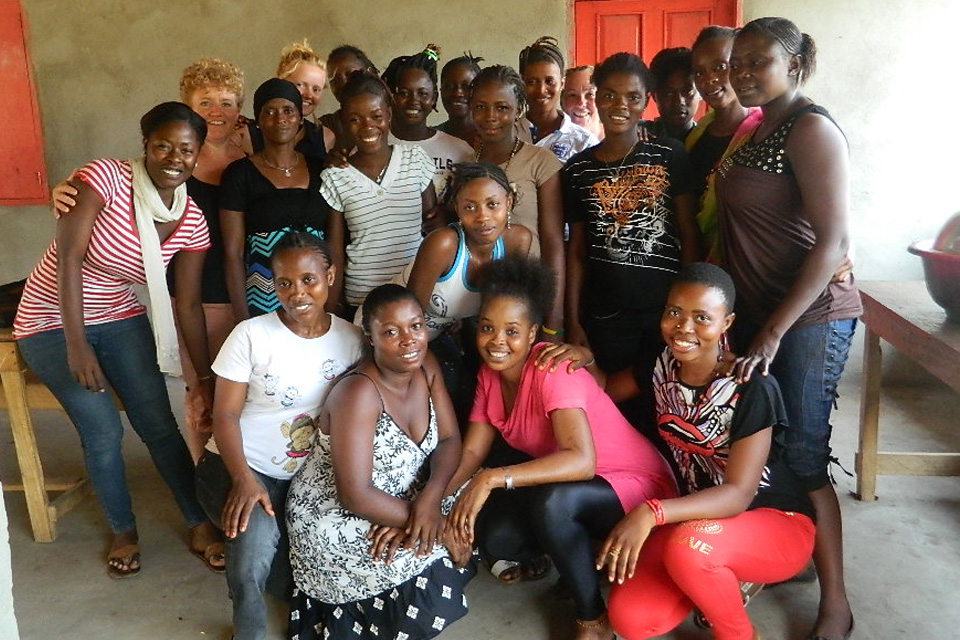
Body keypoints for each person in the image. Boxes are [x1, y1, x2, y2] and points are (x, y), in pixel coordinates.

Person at [541, 263, 816, 640]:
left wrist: (651, 512)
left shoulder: (750, 387)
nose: (684, 328)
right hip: (696, 523)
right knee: (631, 619)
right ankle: (719, 581)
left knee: (690, 548)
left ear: (727, 323)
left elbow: (737, 494)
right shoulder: (661, 364)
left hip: (775, 523)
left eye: (702, 317)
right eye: (674, 313)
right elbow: (604, 389)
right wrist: (582, 360)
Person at [13, 102, 223, 578]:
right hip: (49, 320)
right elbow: (69, 260)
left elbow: (186, 305)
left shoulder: (190, 219)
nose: (174, 157)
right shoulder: (105, 179)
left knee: (157, 422)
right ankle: (123, 531)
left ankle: (198, 522)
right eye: (162, 145)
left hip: (118, 314)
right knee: (103, 429)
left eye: (185, 150)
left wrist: (204, 377)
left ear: (197, 155)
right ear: (145, 145)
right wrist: (76, 344)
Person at [716, 17, 861, 640]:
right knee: (767, 449)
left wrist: (772, 332)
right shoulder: (755, 129)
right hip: (761, 314)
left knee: (802, 455)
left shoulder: (810, 129)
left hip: (808, 318)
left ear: (795, 64)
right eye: (736, 63)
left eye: (758, 63)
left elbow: (832, 244)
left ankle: (836, 603)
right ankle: (788, 555)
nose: (742, 73)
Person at [447, 256, 677, 640]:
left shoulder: (553, 371)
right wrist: (446, 505)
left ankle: (593, 619)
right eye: (487, 328)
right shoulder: (491, 373)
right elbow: (471, 453)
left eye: (511, 331)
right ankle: (586, 556)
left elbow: (582, 461)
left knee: (552, 504)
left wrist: (489, 479)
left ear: (533, 331)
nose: (497, 341)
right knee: (498, 538)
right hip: (579, 489)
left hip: (636, 489)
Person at [51, 57, 249, 461]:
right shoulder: (166, 165)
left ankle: (246, 478)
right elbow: (99, 199)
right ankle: (205, 480)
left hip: (245, 294)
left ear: (239, 110)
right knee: (200, 397)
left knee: (247, 396)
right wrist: (58, 193)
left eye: (227, 102)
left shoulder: (251, 157)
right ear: (186, 107)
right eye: (205, 102)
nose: (217, 111)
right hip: (187, 297)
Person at [196, 232, 364, 640]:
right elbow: (224, 414)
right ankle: (248, 630)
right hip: (238, 464)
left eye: (309, 280)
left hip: (305, 479)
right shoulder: (251, 335)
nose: (297, 293)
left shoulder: (352, 340)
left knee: (297, 579)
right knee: (252, 546)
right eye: (284, 283)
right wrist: (243, 479)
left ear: (331, 276)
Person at [286, 284, 475, 640]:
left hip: (408, 493)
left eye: (416, 326)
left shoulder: (426, 364)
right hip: (337, 511)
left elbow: (450, 440)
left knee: (467, 500)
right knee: (427, 592)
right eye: (391, 331)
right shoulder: (358, 393)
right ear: (370, 337)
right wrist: (434, 527)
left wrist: (429, 504)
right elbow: (355, 495)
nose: (409, 340)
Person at [564, 52, 700, 377]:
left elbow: (689, 232)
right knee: (612, 404)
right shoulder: (578, 169)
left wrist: (689, 308)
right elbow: (578, 253)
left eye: (632, 97)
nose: (620, 105)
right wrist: (572, 320)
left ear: (646, 101)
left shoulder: (669, 153)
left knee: (662, 394)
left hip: (666, 311)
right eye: (609, 95)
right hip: (607, 315)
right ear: (597, 98)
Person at [388, 162, 531, 423]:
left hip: (445, 332)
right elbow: (408, 317)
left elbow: (508, 310)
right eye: (470, 207)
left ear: (508, 202)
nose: (483, 217)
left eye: (493, 204)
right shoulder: (443, 244)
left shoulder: (516, 240)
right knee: (449, 392)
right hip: (399, 333)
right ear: (456, 208)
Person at [322, 70, 437, 317]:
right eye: (355, 119)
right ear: (343, 121)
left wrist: (441, 293)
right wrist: (331, 306)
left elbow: (434, 232)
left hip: (415, 293)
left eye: (376, 116)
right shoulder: (335, 176)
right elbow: (336, 250)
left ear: (389, 115)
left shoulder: (414, 160)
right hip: (363, 299)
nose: (367, 127)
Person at [220, 78, 328, 320]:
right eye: (269, 112)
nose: (280, 119)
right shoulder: (239, 174)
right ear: (257, 121)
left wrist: (333, 302)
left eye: (288, 111)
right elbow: (233, 253)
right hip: (263, 300)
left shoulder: (320, 169)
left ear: (301, 118)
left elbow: (333, 242)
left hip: (316, 297)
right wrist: (242, 318)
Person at [470, 64, 565, 336]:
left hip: (528, 301)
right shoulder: (468, 163)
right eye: (480, 107)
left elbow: (553, 241)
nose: (490, 117)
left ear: (519, 109)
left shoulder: (540, 162)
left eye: (502, 108)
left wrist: (554, 319)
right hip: (476, 300)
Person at [684, 27, 763, 263]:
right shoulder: (695, 137)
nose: (709, 79)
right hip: (702, 261)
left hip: (751, 262)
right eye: (699, 72)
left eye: (720, 67)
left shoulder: (762, 132)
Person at [382, 45, 475, 198]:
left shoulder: (461, 151)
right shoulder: (378, 147)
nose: (413, 101)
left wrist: (447, 214)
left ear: (434, 98)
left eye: (422, 93)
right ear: (392, 97)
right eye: (404, 93)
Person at [518, 36, 599, 162]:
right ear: (522, 84)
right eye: (532, 82)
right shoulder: (507, 135)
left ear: (562, 84)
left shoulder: (584, 143)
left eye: (550, 81)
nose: (541, 90)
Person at [319, 44, 379, 151]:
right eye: (334, 81)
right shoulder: (326, 126)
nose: (343, 84)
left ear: (371, 72)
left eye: (350, 74)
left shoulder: (397, 114)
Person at [649, 47, 702, 143]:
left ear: (700, 91)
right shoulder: (640, 135)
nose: (679, 101)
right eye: (668, 93)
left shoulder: (707, 140)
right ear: (654, 95)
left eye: (688, 91)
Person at [436, 52, 484, 145]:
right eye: (449, 86)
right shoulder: (431, 138)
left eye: (466, 87)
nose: (458, 93)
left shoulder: (491, 138)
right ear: (440, 91)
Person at [563, 65, 603, 141]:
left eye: (590, 94)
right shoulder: (553, 143)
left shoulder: (619, 142)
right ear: (563, 101)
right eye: (573, 95)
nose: (581, 103)